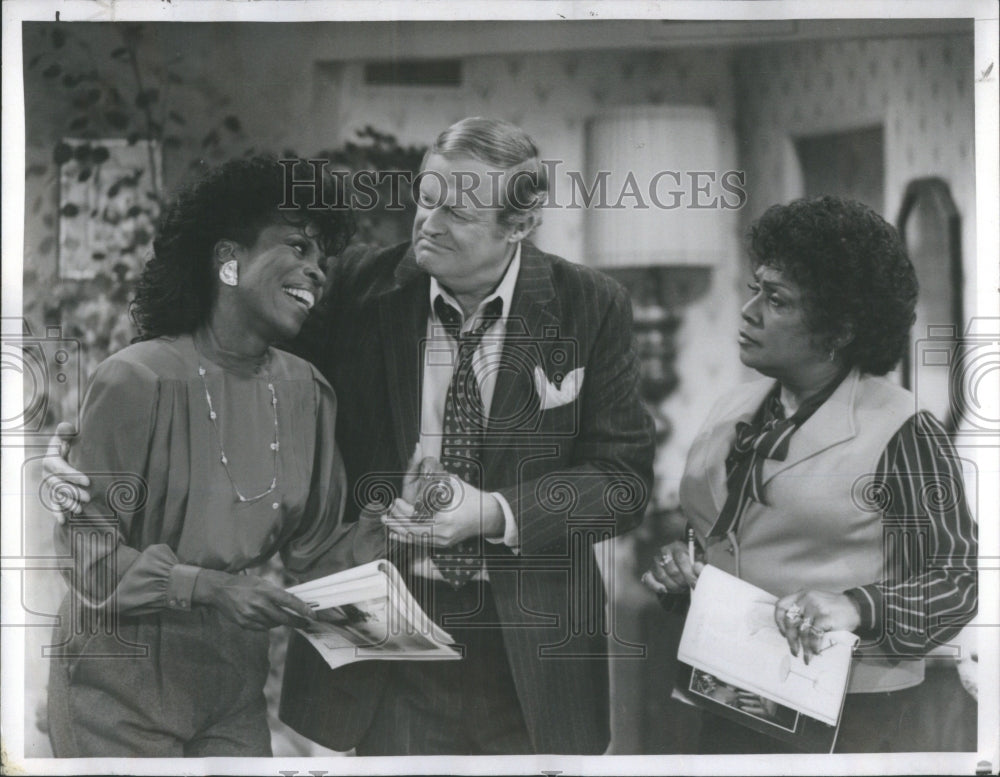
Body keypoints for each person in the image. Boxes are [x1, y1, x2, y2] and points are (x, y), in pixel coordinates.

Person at [277, 117, 657, 755]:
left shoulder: (591, 305)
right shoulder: (352, 287)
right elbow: (252, 376)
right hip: (384, 631)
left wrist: (493, 512)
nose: (428, 222)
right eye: (427, 197)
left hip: (533, 649)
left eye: (457, 212)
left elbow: (622, 483)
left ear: (520, 225)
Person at [43, 157, 382, 757]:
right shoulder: (137, 379)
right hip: (117, 678)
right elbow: (84, 554)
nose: (316, 272)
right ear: (229, 260)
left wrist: (394, 524)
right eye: (298, 246)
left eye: (322, 261)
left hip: (231, 677)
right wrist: (213, 590)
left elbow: (317, 548)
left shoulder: (308, 390)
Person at [642, 196, 978, 753]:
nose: (748, 311)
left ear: (840, 329)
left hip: (851, 724)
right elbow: (721, 537)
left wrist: (856, 606)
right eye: (756, 289)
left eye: (775, 299)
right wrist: (684, 570)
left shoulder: (903, 430)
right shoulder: (732, 410)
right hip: (727, 703)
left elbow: (958, 581)